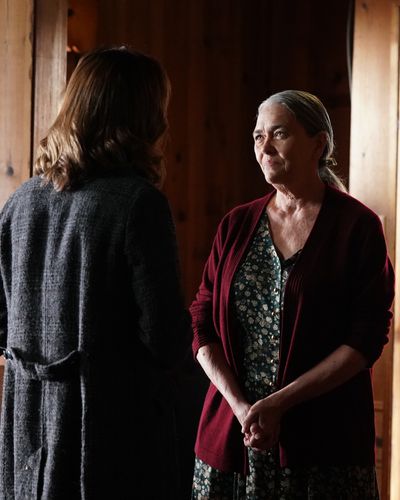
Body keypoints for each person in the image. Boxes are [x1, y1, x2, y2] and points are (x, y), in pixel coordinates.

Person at [0, 46, 191, 500]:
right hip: (109, 435)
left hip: (27, 428)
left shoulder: (21, 201)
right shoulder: (138, 204)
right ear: (143, 116)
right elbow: (165, 340)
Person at [190, 90, 394, 499]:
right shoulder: (236, 225)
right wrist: (242, 409)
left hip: (323, 446)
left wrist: (280, 403)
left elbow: (366, 338)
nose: (264, 147)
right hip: (235, 437)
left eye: (279, 133)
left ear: (318, 144)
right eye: (257, 136)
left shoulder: (357, 227)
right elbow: (201, 320)